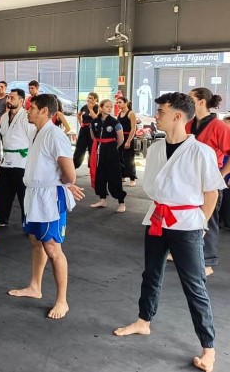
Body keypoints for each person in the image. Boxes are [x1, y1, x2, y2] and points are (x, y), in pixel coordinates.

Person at [114, 92, 223, 372]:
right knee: (151, 271)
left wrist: (201, 227)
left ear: (177, 116)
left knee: (194, 284)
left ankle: (208, 347)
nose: (157, 115)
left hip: (187, 222)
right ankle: (143, 321)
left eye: (161, 111)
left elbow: (211, 194)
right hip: (158, 218)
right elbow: (153, 185)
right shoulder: (156, 148)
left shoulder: (201, 151)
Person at [8, 94, 84, 320]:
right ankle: (35, 286)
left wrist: (68, 185)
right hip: (34, 194)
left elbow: (68, 170)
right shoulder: (37, 132)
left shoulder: (55, 134)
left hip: (49, 196)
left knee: (52, 248)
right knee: (35, 241)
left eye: (32, 108)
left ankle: (63, 300)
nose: (28, 111)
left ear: (43, 111)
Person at [186, 87, 230, 276]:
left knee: (208, 219)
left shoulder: (219, 127)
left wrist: (221, 175)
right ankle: (186, 252)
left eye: (190, 98)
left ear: (201, 102)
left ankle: (208, 262)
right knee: (189, 217)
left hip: (210, 180)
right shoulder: (189, 124)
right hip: (190, 179)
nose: (187, 101)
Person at [0, 88, 36, 227]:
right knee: (3, 192)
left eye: (12, 98)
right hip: (6, 159)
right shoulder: (5, 117)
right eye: (8, 97)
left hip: (21, 161)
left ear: (21, 101)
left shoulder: (26, 117)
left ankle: (28, 222)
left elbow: (33, 139)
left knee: (24, 194)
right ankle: (0, 219)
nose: (8, 100)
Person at [89, 99, 127, 213]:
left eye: (111, 106)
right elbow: (93, 136)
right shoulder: (94, 122)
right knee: (100, 175)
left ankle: (121, 202)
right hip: (98, 150)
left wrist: (112, 147)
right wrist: (99, 145)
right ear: (101, 107)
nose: (110, 108)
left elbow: (121, 139)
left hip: (111, 150)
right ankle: (102, 199)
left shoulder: (115, 123)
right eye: (107, 106)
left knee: (114, 176)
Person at [73, 92, 99, 168]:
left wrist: (90, 108)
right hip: (84, 129)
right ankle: (74, 165)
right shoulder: (84, 107)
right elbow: (79, 114)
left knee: (92, 148)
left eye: (91, 98)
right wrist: (81, 122)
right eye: (88, 97)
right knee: (80, 147)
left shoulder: (97, 107)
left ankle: (92, 167)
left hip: (92, 130)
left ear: (95, 99)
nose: (89, 99)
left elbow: (96, 118)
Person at [116, 96, 137, 187]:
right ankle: (122, 175)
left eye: (120, 102)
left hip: (128, 136)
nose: (118, 104)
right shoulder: (119, 113)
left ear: (125, 103)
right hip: (120, 137)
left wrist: (128, 141)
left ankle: (132, 178)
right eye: (117, 102)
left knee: (129, 158)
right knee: (120, 157)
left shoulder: (131, 113)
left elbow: (133, 129)